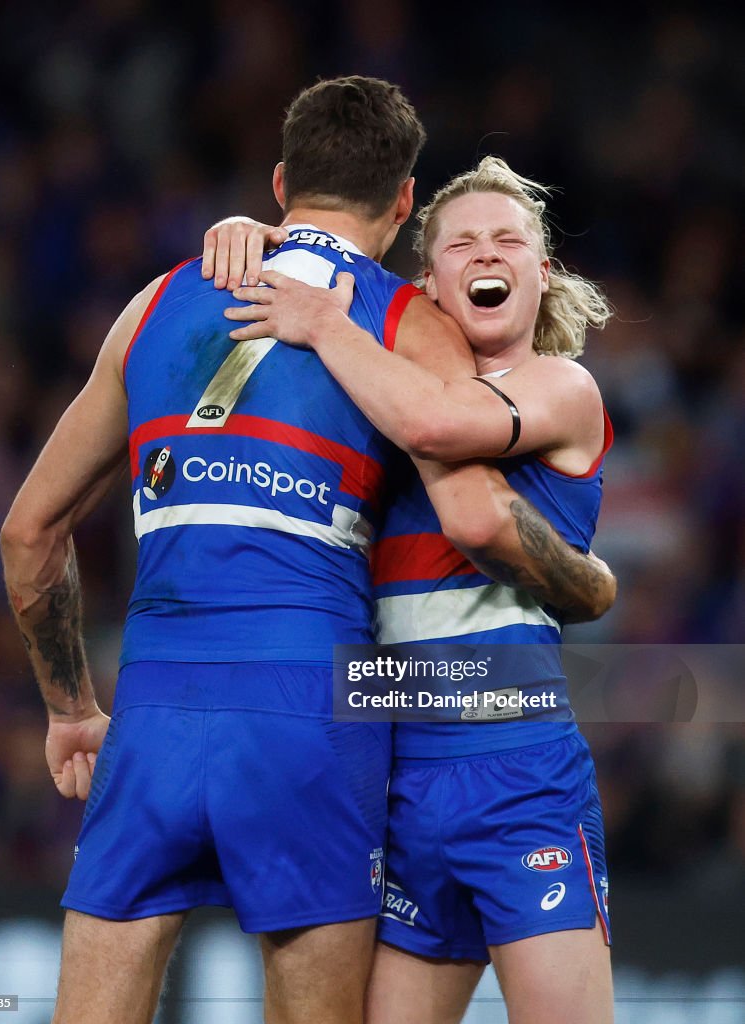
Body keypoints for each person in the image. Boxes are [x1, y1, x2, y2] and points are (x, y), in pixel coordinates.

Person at [1, 74, 613, 1024]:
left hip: (157, 701)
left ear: (283, 183)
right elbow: (471, 511)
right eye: (461, 242)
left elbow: (27, 533)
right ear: (404, 206)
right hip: (317, 710)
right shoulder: (409, 326)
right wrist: (593, 589)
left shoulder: (153, 303)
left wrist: (72, 707)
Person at [223, 156, 614, 1023]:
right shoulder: (377, 400)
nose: (487, 253)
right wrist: (253, 238)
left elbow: (436, 422)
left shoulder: (560, 386)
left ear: (541, 273)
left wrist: (326, 323)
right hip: (397, 774)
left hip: (518, 770)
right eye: (461, 243)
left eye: (508, 240)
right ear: (427, 284)